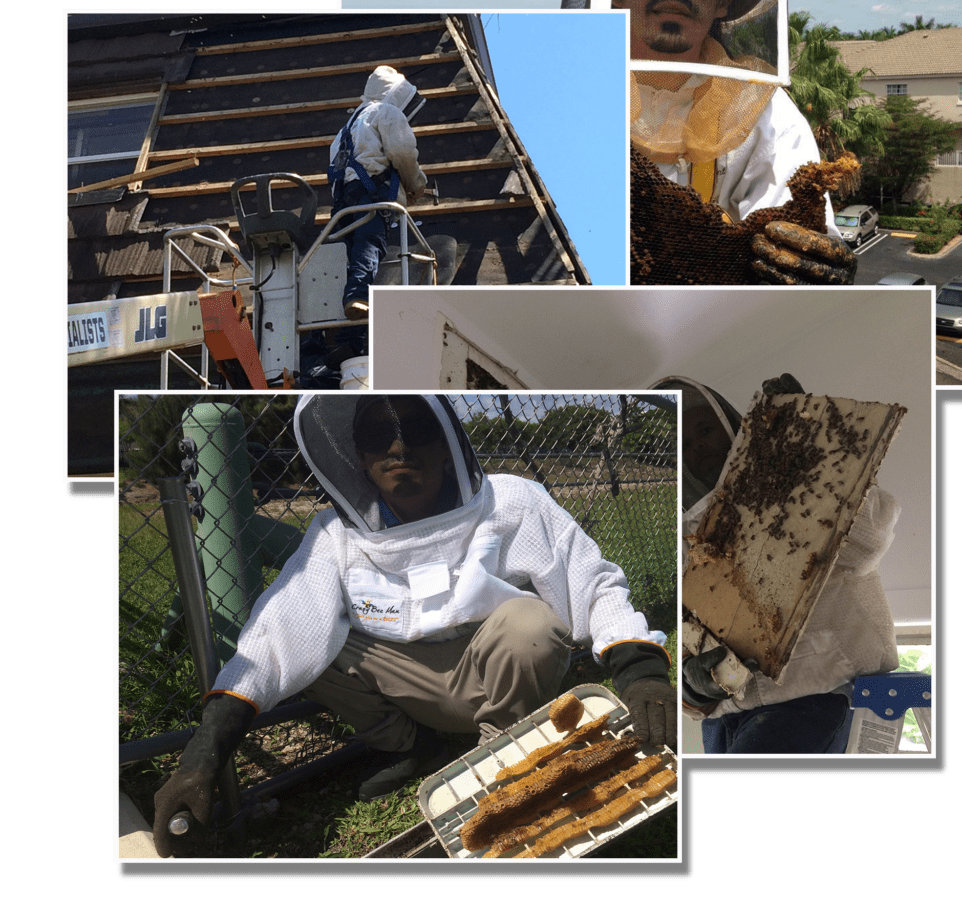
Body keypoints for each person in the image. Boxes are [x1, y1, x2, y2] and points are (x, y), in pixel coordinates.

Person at [152, 394, 676, 856]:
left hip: (493, 672)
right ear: (358, 456)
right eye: (380, 438)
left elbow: (592, 580)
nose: (399, 450)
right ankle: (408, 747)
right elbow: (278, 632)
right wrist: (203, 753)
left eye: (416, 433)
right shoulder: (337, 534)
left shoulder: (510, 500)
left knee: (530, 622)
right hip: (407, 684)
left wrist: (641, 667)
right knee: (313, 638)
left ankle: (499, 748)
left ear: (447, 444)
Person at [562, 0, 855, 284]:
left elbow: (793, 235)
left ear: (722, 0)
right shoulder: (568, 94)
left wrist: (815, 262)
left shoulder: (764, 108)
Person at [675, 374, 900, 753]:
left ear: (732, 427)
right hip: (726, 717)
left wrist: (809, 445)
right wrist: (693, 687)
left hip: (823, 695)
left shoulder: (803, 488)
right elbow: (684, 643)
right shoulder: (682, 540)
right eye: (683, 444)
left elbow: (868, 540)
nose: (697, 446)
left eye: (704, 430)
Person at [328, 66, 429, 320]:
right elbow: (403, 153)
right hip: (372, 194)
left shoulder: (344, 130)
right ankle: (359, 294)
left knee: (344, 259)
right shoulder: (387, 112)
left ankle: (344, 338)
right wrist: (416, 184)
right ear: (395, 94)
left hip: (342, 202)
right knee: (369, 242)